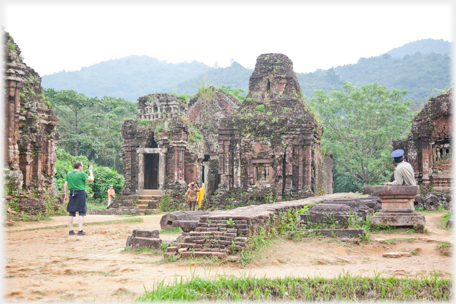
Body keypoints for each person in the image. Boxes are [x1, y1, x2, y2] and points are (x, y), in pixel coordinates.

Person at [64, 162, 94, 235]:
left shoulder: (69, 174)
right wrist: (90, 171)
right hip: (80, 193)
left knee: (71, 212)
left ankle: (71, 230)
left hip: (72, 193)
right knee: (81, 212)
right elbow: (92, 179)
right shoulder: (82, 174)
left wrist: (66, 195)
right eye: (82, 166)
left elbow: (65, 185)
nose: (82, 168)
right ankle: (80, 230)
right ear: (80, 167)